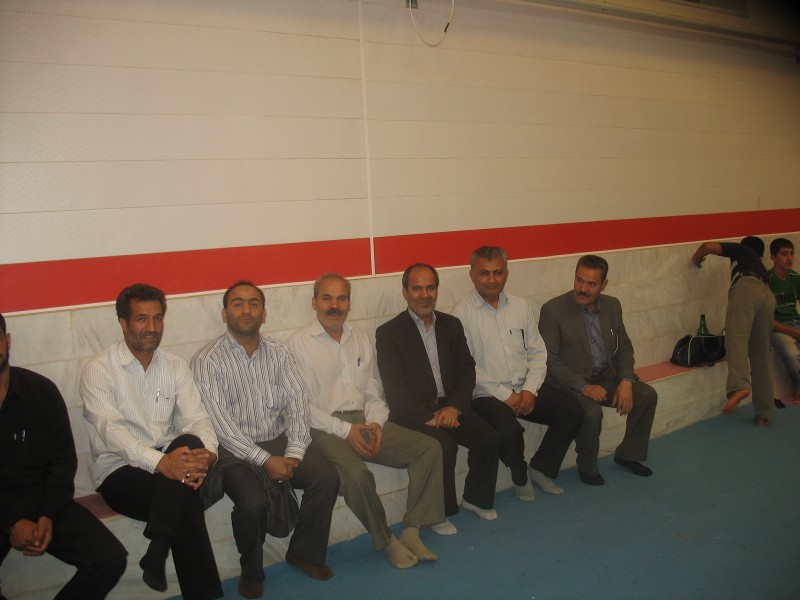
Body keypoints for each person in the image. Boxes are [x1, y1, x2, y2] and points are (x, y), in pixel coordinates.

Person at [191, 281, 339, 599]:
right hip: (232, 451)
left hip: (277, 440)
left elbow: (297, 404)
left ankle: (304, 553)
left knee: (326, 476)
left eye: (254, 303)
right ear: (225, 313)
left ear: (264, 313)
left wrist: (295, 452)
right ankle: (252, 573)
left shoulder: (279, 352)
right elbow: (222, 427)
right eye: (238, 303)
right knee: (252, 503)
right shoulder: (207, 360)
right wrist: (266, 461)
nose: (246, 310)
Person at [287, 273, 446, 568]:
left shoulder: (359, 338)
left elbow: (373, 390)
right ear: (314, 302)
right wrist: (346, 430)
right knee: (357, 475)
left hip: (363, 421)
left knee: (428, 449)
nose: (335, 306)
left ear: (349, 303)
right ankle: (386, 540)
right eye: (327, 298)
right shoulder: (298, 344)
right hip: (322, 428)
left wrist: (376, 423)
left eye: (341, 298)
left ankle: (412, 530)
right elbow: (299, 406)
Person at [81, 284, 222, 599]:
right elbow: (112, 433)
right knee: (186, 501)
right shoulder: (98, 370)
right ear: (123, 322)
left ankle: (157, 548)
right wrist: (161, 463)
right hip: (120, 472)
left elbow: (197, 418)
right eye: (142, 319)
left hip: (169, 466)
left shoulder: (174, 366)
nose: (152, 327)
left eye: (158, 318)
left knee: (190, 438)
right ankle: (195, 586)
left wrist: (210, 454)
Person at [0, 313, 126, 600]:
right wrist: (10, 521)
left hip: (42, 500)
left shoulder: (40, 391)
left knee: (109, 559)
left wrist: (47, 514)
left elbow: (63, 461)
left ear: (7, 341)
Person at [452, 247, 584, 501]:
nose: (492, 279)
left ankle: (541, 468)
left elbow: (538, 352)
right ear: (472, 275)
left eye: (498, 272)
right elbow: (467, 367)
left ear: (506, 273)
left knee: (573, 411)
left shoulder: (520, 306)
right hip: (486, 395)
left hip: (524, 387)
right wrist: (506, 396)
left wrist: (529, 390)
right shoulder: (461, 314)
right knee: (509, 432)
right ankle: (520, 474)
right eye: (484, 273)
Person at [376, 263, 500, 528]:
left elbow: (467, 370)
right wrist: (430, 418)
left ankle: (476, 499)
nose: (425, 295)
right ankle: (440, 512)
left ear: (436, 291)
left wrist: (455, 407)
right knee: (444, 446)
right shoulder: (389, 333)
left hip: (451, 406)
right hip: (413, 413)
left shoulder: (451, 325)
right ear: (405, 292)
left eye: (430, 288)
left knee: (488, 438)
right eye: (417, 288)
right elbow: (394, 389)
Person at [539, 255, 657, 485]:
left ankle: (628, 454)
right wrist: (584, 387)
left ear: (604, 285)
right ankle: (587, 466)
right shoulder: (553, 310)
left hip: (605, 376)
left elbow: (624, 348)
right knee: (592, 413)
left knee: (646, 395)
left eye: (591, 284)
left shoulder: (612, 306)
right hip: (569, 383)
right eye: (579, 280)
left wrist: (626, 381)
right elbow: (550, 361)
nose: (583, 288)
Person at [692, 238, 775, 425]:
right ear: (762, 257)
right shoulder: (761, 268)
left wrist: (696, 259)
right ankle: (764, 413)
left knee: (735, 340)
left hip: (747, 289)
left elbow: (707, 246)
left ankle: (739, 386)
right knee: (761, 356)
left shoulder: (742, 251)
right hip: (768, 296)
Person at [767, 237, 800, 403]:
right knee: (791, 353)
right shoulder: (767, 281)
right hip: (777, 328)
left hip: (795, 322)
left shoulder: (795, 277)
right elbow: (768, 321)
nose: (790, 258)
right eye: (784, 254)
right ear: (773, 257)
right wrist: (795, 333)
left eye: (792, 253)